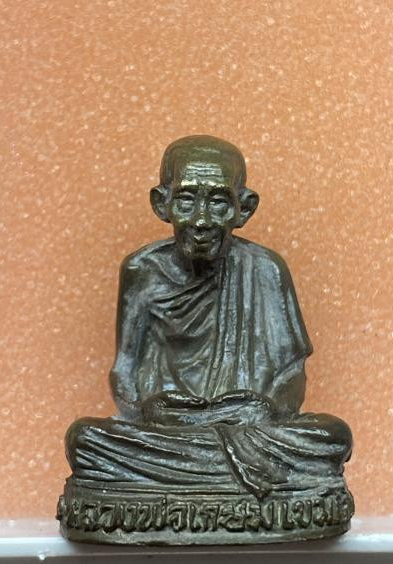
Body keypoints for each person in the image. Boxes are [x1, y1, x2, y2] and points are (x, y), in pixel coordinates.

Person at [65, 135, 352, 499]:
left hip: (247, 423)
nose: (201, 220)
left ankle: (187, 477)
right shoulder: (142, 271)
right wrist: (145, 411)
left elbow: (291, 374)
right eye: (186, 200)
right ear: (161, 204)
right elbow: (124, 369)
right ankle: (217, 474)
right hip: (169, 428)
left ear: (244, 209)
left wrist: (265, 410)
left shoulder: (265, 269)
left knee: (332, 436)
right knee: (85, 439)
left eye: (218, 202)